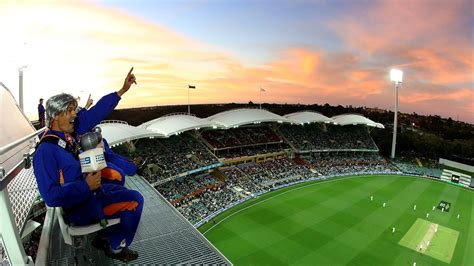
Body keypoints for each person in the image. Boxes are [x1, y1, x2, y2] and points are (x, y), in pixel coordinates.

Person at [33, 68, 142, 262]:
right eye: (70, 111)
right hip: (81, 207)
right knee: (135, 201)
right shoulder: (45, 151)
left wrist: (122, 90)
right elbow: (50, 196)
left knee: (118, 177)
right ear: (57, 116)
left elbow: (96, 112)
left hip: (89, 194)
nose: (75, 115)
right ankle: (115, 247)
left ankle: (104, 236)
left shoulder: (65, 135)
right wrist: (86, 185)